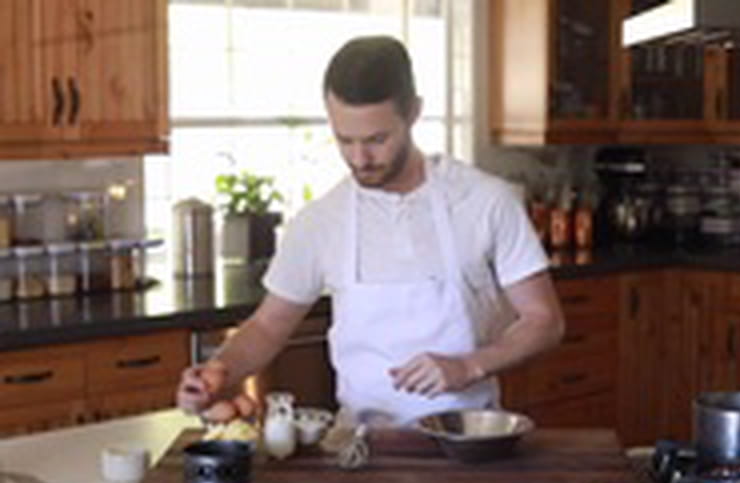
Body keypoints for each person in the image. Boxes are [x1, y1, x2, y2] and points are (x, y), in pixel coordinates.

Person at [176, 35, 565, 427]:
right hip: (361, 448)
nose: (360, 159)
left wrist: (470, 365)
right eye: (345, 140)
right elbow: (267, 326)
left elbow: (544, 320)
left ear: (413, 113)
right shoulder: (321, 221)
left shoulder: (484, 202)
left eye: (378, 140)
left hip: (469, 441)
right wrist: (218, 372)